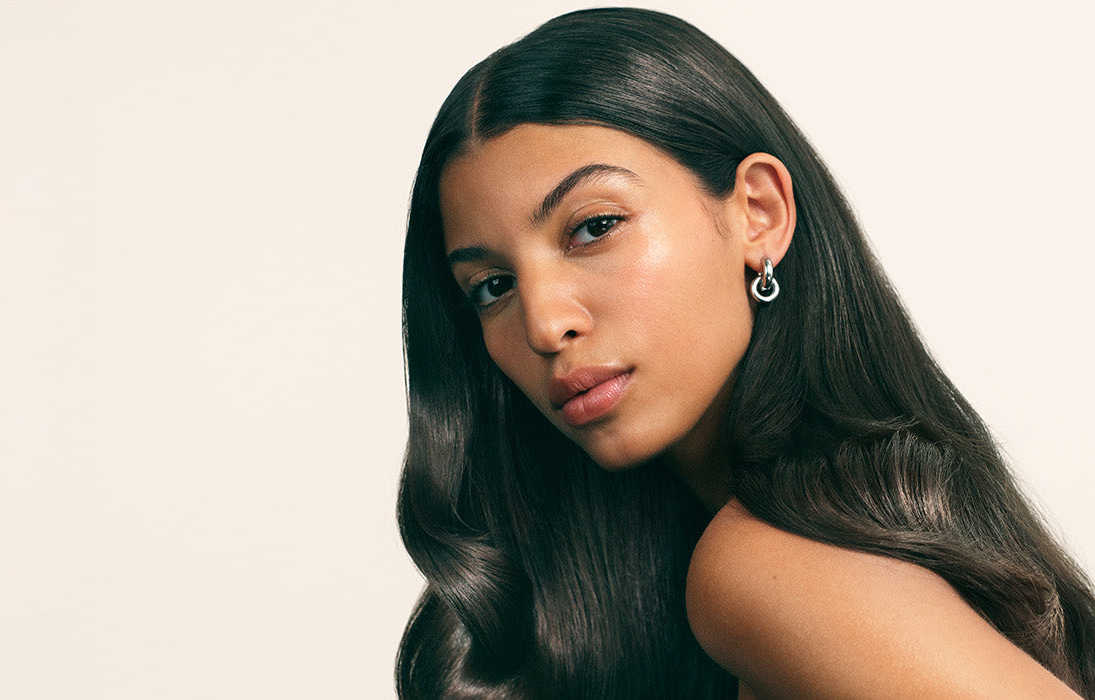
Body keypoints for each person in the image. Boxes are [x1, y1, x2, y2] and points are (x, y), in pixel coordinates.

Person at [395, 8, 1095, 698]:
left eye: (595, 227)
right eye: (492, 286)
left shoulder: (768, 564)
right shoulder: (815, 537)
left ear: (757, 212)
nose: (545, 325)